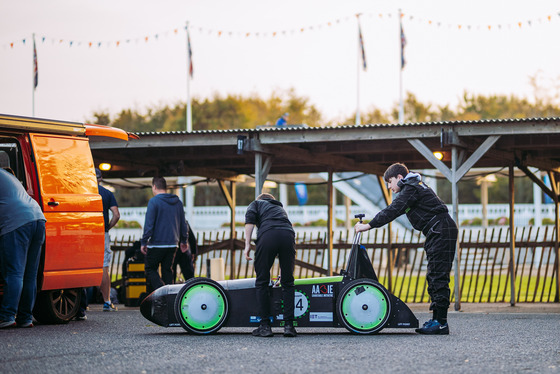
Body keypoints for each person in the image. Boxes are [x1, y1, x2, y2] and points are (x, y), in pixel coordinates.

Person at [354, 163, 458, 335]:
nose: (389, 187)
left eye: (390, 182)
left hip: (441, 229)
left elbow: (394, 209)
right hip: (437, 230)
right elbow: (396, 209)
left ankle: (441, 323)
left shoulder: (411, 188)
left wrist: (369, 225)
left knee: (438, 275)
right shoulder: (412, 187)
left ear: (400, 178)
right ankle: (437, 320)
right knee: (434, 275)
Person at [244, 193, 296, 338]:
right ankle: (289, 326)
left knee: (262, 281)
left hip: (268, 235)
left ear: (260, 199)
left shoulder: (256, 203)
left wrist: (247, 244)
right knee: (288, 282)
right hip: (288, 234)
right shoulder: (280, 209)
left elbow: (250, 222)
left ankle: (265, 326)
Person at [0, 168, 46, 328]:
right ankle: (25, 318)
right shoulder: (7, 176)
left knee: (14, 272)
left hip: (17, 222)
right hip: (38, 218)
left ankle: (7, 316)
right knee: (29, 274)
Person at [140, 176, 189, 293]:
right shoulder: (178, 202)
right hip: (173, 244)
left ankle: (161, 292)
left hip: (156, 243)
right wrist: (184, 240)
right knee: (167, 270)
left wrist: (144, 241)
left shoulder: (154, 201)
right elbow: (183, 224)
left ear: (154, 187)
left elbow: (149, 224)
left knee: (150, 269)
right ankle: (169, 296)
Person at [95, 168, 120, 313]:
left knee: (85, 266)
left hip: (86, 232)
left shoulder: (85, 192)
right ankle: (106, 301)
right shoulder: (107, 193)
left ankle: (81, 304)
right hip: (102, 233)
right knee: (104, 266)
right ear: (101, 178)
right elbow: (116, 214)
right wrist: (107, 227)